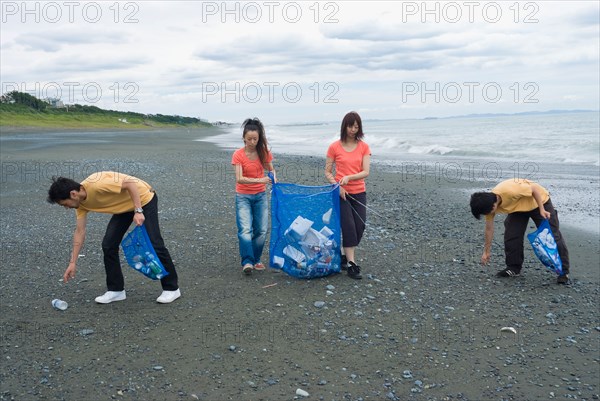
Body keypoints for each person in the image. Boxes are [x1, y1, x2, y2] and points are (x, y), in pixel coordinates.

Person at [47, 172, 181, 303]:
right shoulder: (80, 204)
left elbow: (130, 183)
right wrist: (73, 262)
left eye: (65, 204)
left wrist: (138, 210)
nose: (66, 208)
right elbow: (79, 232)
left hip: (143, 199)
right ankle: (116, 290)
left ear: (73, 194)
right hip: (123, 207)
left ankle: (172, 288)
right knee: (109, 244)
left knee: (154, 242)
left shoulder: (96, 184)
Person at [470, 178, 570, 284]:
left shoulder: (509, 191)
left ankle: (564, 272)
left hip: (539, 201)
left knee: (552, 235)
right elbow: (489, 229)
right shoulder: (488, 205)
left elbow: (534, 189)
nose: (487, 215)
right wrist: (486, 251)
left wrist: (542, 209)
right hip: (518, 208)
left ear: (493, 205)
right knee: (512, 235)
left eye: (486, 212)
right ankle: (513, 267)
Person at [325, 111, 371, 280]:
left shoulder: (364, 147)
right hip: (340, 193)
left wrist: (349, 177)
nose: (353, 129)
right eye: (351, 126)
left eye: (356, 126)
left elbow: (366, 172)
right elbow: (328, 171)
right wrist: (337, 185)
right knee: (349, 227)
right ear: (344, 126)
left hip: (359, 191)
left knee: (360, 226)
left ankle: (344, 256)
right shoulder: (334, 147)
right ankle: (352, 264)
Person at [231, 118, 276, 274]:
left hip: (260, 196)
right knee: (244, 230)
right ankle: (247, 261)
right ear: (244, 137)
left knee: (262, 230)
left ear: (259, 138)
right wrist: (261, 179)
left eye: (255, 139)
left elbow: (271, 171)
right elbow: (239, 178)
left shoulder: (264, 153)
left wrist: (273, 178)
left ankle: (256, 259)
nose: (252, 142)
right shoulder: (238, 155)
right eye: (249, 139)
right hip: (242, 196)